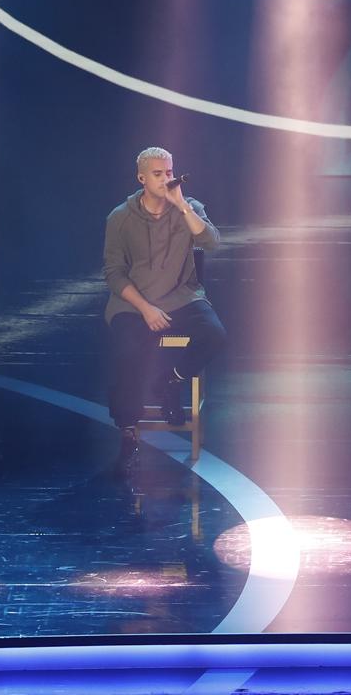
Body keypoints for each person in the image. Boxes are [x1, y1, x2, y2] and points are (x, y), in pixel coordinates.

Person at [103, 147, 224, 464]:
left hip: (182, 296)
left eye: (169, 172)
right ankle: (128, 428)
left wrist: (181, 205)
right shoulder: (120, 218)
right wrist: (145, 309)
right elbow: (114, 273)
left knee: (214, 335)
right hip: (135, 303)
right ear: (142, 178)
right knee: (126, 349)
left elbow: (211, 242)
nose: (166, 179)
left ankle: (171, 380)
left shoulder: (189, 208)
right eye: (158, 174)